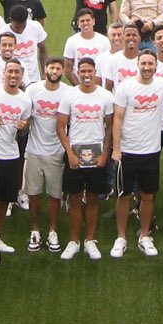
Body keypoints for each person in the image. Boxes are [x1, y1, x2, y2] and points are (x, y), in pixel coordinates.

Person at [110, 51, 163, 257]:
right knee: (124, 195)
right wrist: (116, 149)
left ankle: (144, 235)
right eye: (143, 63)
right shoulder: (126, 87)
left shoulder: (162, 85)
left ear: (156, 66)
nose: (147, 67)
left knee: (147, 195)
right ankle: (121, 238)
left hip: (151, 152)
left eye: (150, 64)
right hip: (127, 151)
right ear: (138, 64)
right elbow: (117, 118)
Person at [58, 58, 116, 260]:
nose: (86, 75)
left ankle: (90, 240)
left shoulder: (105, 96)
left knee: (92, 197)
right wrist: (70, 154)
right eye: (82, 71)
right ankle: (74, 241)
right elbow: (60, 126)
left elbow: (110, 127)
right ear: (78, 72)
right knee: (74, 198)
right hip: (75, 156)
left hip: (97, 156)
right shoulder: (70, 95)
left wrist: (105, 154)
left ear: (95, 71)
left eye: (89, 71)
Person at [0, 61, 34, 264]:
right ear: (3, 74)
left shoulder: (25, 100)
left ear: (21, 76)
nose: (13, 75)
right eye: (10, 71)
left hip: (11, 155)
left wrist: (22, 127)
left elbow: (25, 124)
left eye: (17, 72)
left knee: (5, 199)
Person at [24, 55, 71, 251]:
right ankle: (35, 230)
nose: (54, 72)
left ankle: (53, 231)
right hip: (33, 150)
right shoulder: (32, 90)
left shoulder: (68, 93)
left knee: (54, 195)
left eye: (58, 69)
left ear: (62, 71)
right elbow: (25, 116)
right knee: (33, 194)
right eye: (51, 68)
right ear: (45, 70)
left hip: (56, 152)